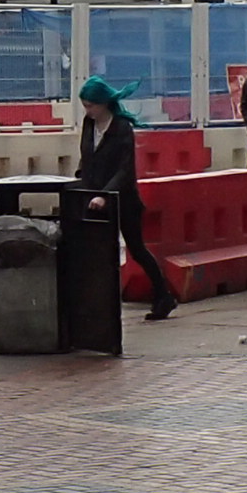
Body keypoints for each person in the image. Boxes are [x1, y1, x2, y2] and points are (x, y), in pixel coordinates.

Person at [76, 77, 178, 321]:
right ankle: (96, 305)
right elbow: (87, 156)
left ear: (103, 104)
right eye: (85, 106)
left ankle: (163, 296)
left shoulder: (121, 128)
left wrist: (106, 196)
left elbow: (125, 170)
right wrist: (81, 180)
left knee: (137, 249)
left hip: (123, 199)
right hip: (94, 197)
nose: (88, 111)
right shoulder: (89, 125)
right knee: (95, 252)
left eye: (91, 105)